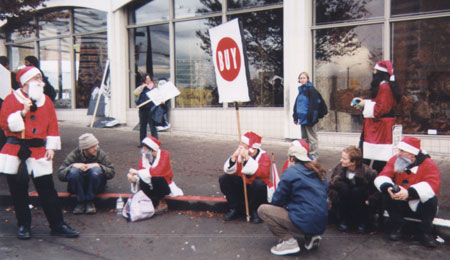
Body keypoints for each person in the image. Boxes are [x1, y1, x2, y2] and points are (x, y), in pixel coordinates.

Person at [0, 66, 79, 239]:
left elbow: (53, 125)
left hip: (38, 150)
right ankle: (24, 225)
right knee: (18, 191)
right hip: (16, 150)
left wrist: (51, 146)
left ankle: (57, 224)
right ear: (25, 82)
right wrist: (22, 112)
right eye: (36, 78)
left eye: (40, 78)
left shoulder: (46, 101)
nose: (40, 81)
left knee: (47, 190)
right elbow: (5, 125)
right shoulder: (11, 100)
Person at [258, 144, 328, 256]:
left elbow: (277, 199)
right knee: (306, 208)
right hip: (321, 223)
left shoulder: (291, 171)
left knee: (263, 210)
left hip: (304, 219)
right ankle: (312, 236)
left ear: (292, 158)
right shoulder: (317, 170)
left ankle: (287, 241)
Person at [374, 136, 440, 248]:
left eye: (402, 151)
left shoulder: (429, 164)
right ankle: (397, 226)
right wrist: (388, 188)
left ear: (412, 154)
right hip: (399, 200)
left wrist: (409, 193)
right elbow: (384, 175)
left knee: (431, 198)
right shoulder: (395, 159)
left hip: (418, 203)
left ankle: (426, 232)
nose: (398, 153)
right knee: (385, 194)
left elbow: (432, 185)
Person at [352, 60, 402, 173]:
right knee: (380, 157)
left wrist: (365, 104)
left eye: (374, 70)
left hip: (379, 127)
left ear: (379, 73)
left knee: (366, 154)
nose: (373, 73)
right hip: (383, 125)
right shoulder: (386, 86)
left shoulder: (384, 87)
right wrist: (365, 103)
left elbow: (380, 109)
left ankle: (364, 177)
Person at [219, 131, 272, 224]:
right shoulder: (241, 155)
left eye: (245, 145)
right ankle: (234, 208)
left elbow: (262, 173)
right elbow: (231, 171)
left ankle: (255, 211)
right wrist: (234, 157)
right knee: (224, 179)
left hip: (256, 190)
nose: (242, 147)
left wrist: (247, 158)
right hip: (243, 186)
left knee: (259, 184)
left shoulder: (264, 156)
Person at [57, 133, 115, 214]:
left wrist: (99, 166)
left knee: (96, 171)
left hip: (95, 187)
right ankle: (80, 202)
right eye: (93, 147)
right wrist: (73, 166)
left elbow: (112, 172)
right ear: (85, 149)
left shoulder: (100, 154)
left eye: (96, 145)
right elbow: (60, 174)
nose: (96, 148)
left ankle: (90, 201)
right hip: (78, 188)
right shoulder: (74, 154)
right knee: (74, 172)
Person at [127, 136, 183, 215]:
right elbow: (141, 170)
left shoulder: (165, 154)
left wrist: (138, 173)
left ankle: (162, 203)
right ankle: (147, 202)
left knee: (156, 178)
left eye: (145, 149)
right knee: (141, 179)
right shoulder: (144, 157)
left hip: (163, 184)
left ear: (152, 149)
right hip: (150, 185)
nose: (143, 151)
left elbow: (158, 171)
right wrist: (134, 177)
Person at [328, 146, 379, 233]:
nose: (341, 160)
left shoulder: (367, 171)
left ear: (353, 162)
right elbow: (332, 184)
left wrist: (370, 199)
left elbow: (375, 190)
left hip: (361, 199)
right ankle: (344, 218)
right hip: (344, 198)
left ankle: (363, 221)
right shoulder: (340, 168)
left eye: (344, 159)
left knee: (357, 191)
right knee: (344, 188)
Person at [292, 72, 327, 161]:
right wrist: (295, 117)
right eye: (300, 78)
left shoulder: (311, 90)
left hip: (309, 119)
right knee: (304, 139)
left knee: (312, 139)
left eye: (304, 78)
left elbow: (314, 106)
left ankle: (314, 156)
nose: (302, 79)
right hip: (302, 119)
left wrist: (312, 118)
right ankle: (305, 154)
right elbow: (297, 105)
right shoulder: (301, 90)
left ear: (307, 79)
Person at [135, 73, 158, 144]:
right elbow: (135, 93)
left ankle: (155, 142)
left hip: (151, 109)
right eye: (147, 79)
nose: (148, 80)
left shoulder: (153, 87)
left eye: (149, 78)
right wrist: (143, 86)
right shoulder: (141, 87)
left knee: (152, 126)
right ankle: (143, 142)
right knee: (143, 126)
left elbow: (157, 96)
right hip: (142, 109)